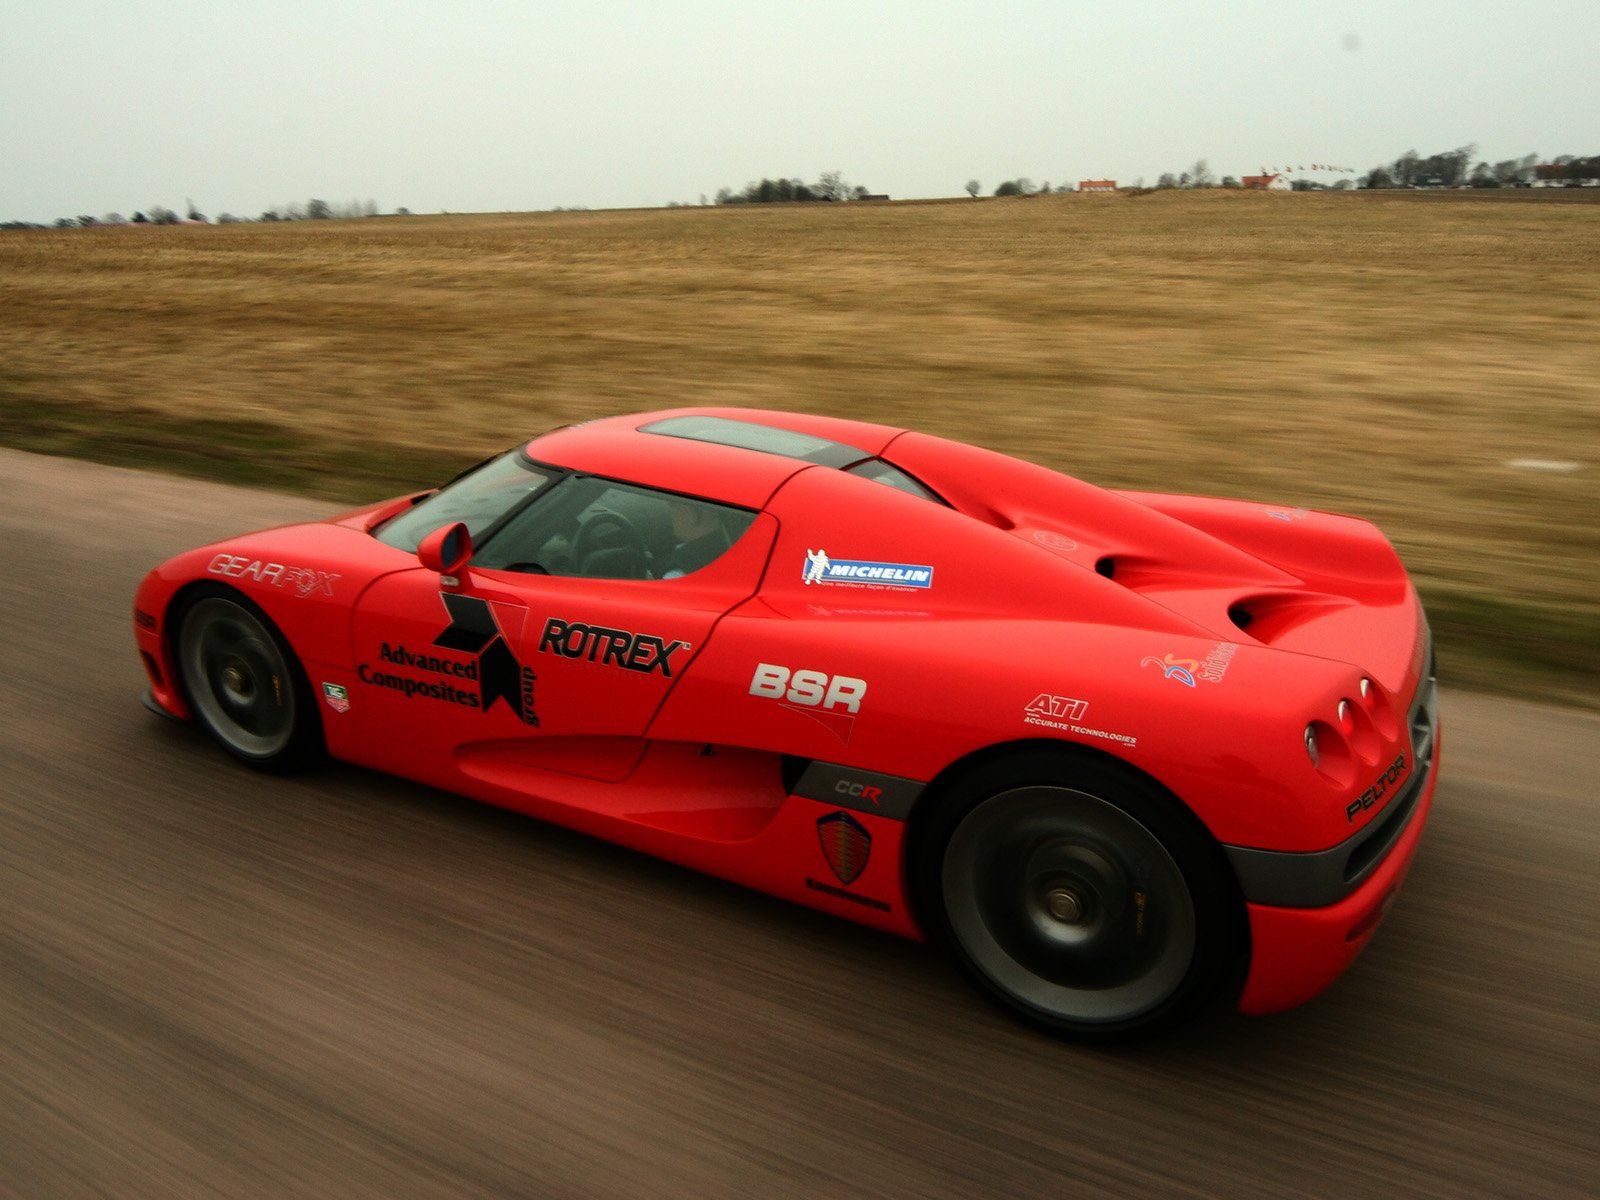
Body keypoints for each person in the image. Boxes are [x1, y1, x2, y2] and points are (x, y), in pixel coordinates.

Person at [659, 502, 729, 578]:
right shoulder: (732, 544)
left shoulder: (679, 571)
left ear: (692, 514)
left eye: (672, 510)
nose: (671, 517)